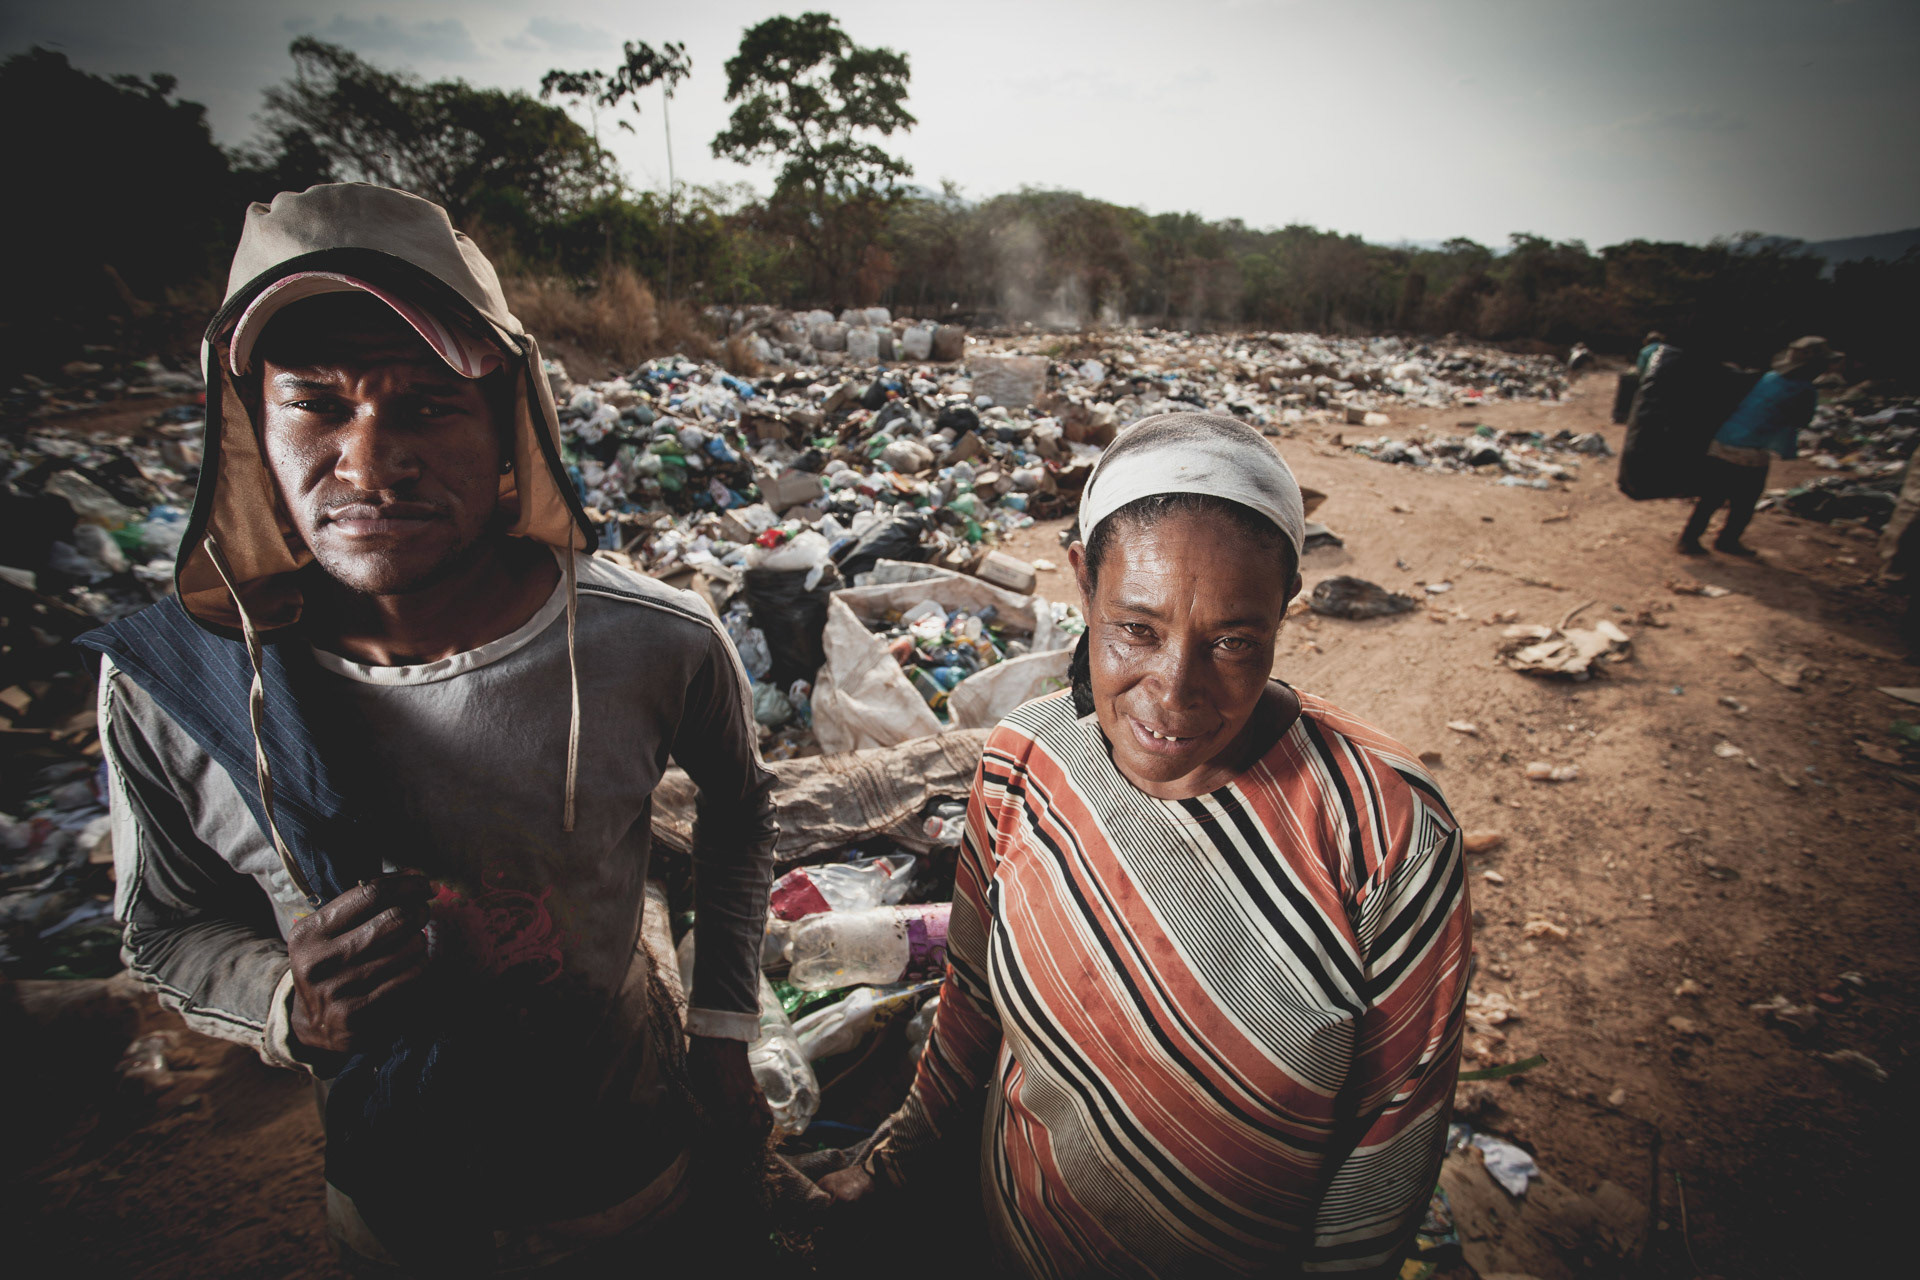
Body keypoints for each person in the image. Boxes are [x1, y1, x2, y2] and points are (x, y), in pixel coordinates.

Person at [78, 183, 778, 1274]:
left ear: (509, 425)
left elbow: (740, 806)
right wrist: (286, 1003)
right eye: (316, 402)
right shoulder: (182, 688)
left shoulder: (655, 641)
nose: (369, 463)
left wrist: (725, 1028)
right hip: (394, 1201)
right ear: (251, 429)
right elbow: (164, 925)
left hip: (628, 1177)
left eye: (425, 405)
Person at [819, 414, 1471, 1277]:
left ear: (1287, 607)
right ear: (1084, 583)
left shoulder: (1387, 835)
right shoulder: (1026, 763)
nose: (1172, 693)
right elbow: (971, 1005)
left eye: (1234, 642)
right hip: (1006, 1236)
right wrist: (895, 1166)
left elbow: (1386, 1158)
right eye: (1136, 629)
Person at [1678, 335, 1836, 556]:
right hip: (1751, 450)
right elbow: (1801, 420)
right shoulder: (1804, 390)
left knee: (1712, 495)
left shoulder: (1768, 377)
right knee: (1746, 500)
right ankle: (1727, 541)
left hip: (1724, 439)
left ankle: (1688, 539)